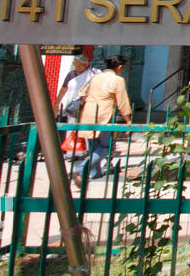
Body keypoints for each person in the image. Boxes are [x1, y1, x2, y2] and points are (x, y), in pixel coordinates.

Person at [72, 55, 133, 186]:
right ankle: (79, 169)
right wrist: (128, 120)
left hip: (88, 113)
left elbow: (82, 93)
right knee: (107, 146)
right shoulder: (117, 80)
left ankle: (95, 174)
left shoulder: (96, 77)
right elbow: (122, 102)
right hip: (102, 114)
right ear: (120, 67)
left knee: (94, 146)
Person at [56, 54, 97, 123]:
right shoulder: (71, 74)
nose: (77, 68)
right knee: (71, 123)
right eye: (75, 66)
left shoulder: (92, 74)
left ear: (86, 65)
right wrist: (57, 103)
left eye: (79, 66)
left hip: (86, 103)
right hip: (72, 105)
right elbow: (64, 88)